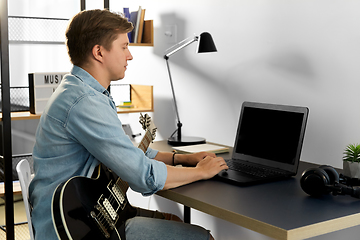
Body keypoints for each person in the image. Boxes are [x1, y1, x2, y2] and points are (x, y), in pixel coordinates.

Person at [29, 9, 228, 240]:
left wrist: (182, 158)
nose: (130, 55)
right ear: (99, 52)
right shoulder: (84, 102)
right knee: (202, 237)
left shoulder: (78, 90)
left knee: (173, 221)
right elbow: (144, 176)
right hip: (76, 226)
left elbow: (127, 153)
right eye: (124, 47)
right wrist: (200, 172)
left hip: (84, 211)